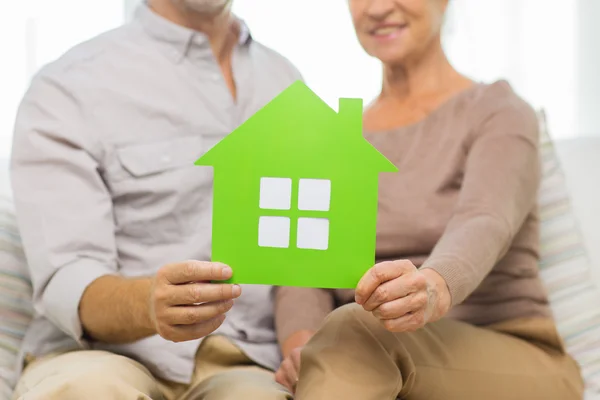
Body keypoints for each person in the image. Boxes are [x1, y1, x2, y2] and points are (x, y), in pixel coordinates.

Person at [274, 0, 585, 399]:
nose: (379, 8)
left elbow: (486, 218)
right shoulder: (337, 137)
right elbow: (305, 264)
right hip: (366, 352)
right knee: (351, 333)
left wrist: (434, 287)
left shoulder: (498, 110)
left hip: (510, 354)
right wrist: (304, 348)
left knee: (358, 327)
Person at [10, 0, 301, 399]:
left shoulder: (286, 82)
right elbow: (68, 277)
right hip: (99, 356)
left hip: (243, 359)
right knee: (89, 391)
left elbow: (301, 261)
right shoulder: (68, 87)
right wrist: (148, 303)